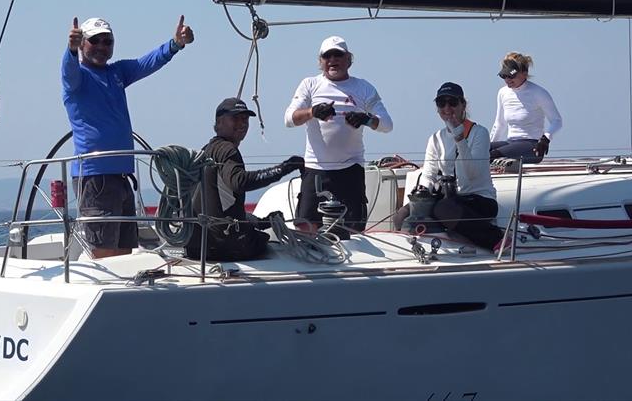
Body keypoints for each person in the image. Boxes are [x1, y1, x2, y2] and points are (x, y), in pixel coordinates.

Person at [62, 15, 194, 258]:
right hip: (95, 177)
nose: (102, 46)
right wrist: (70, 51)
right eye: (95, 41)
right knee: (104, 251)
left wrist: (175, 44)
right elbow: (68, 72)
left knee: (125, 251)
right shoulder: (77, 79)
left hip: (123, 175)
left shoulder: (117, 72)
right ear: (82, 44)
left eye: (107, 41)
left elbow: (147, 63)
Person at [284, 36, 393, 232]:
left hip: (350, 171)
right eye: (327, 56)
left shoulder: (364, 87)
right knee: (307, 231)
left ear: (348, 59)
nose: (332, 60)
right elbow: (289, 119)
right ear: (321, 61)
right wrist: (313, 112)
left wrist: (366, 119)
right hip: (316, 170)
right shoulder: (310, 84)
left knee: (353, 233)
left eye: (338, 55)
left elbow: (387, 125)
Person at [186, 98, 305, 261]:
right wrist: (285, 168)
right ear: (219, 122)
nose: (242, 124)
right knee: (266, 242)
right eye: (235, 118)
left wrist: (263, 222)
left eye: (245, 119)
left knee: (254, 227)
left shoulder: (206, 151)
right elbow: (240, 182)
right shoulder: (227, 150)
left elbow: (223, 208)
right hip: (227, 247)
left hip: (198, 246)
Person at [419, 82, 507, 252]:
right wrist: (420, 196)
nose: (447, 108)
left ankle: (497, 239)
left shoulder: (479, 133)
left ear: (463, 105)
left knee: (443, 208)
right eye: (441, 103)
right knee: (413, 212)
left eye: (452, 102)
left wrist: (460, 139)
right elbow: (428, 174)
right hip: (453, 200)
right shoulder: (436, 138)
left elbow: (471, 174)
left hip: (479, 200)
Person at [489, 52, 562, 164]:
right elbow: (500, 124)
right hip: (510, 143)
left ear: (524, 73)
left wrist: (545, 139)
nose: (507, 80)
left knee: (493, 155)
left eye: (511, 75)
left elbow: (556, 121)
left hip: (532, 147)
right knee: (477, 152)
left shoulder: (538, 93)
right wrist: (486, 147)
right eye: (504, 76)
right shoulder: (502, 93)